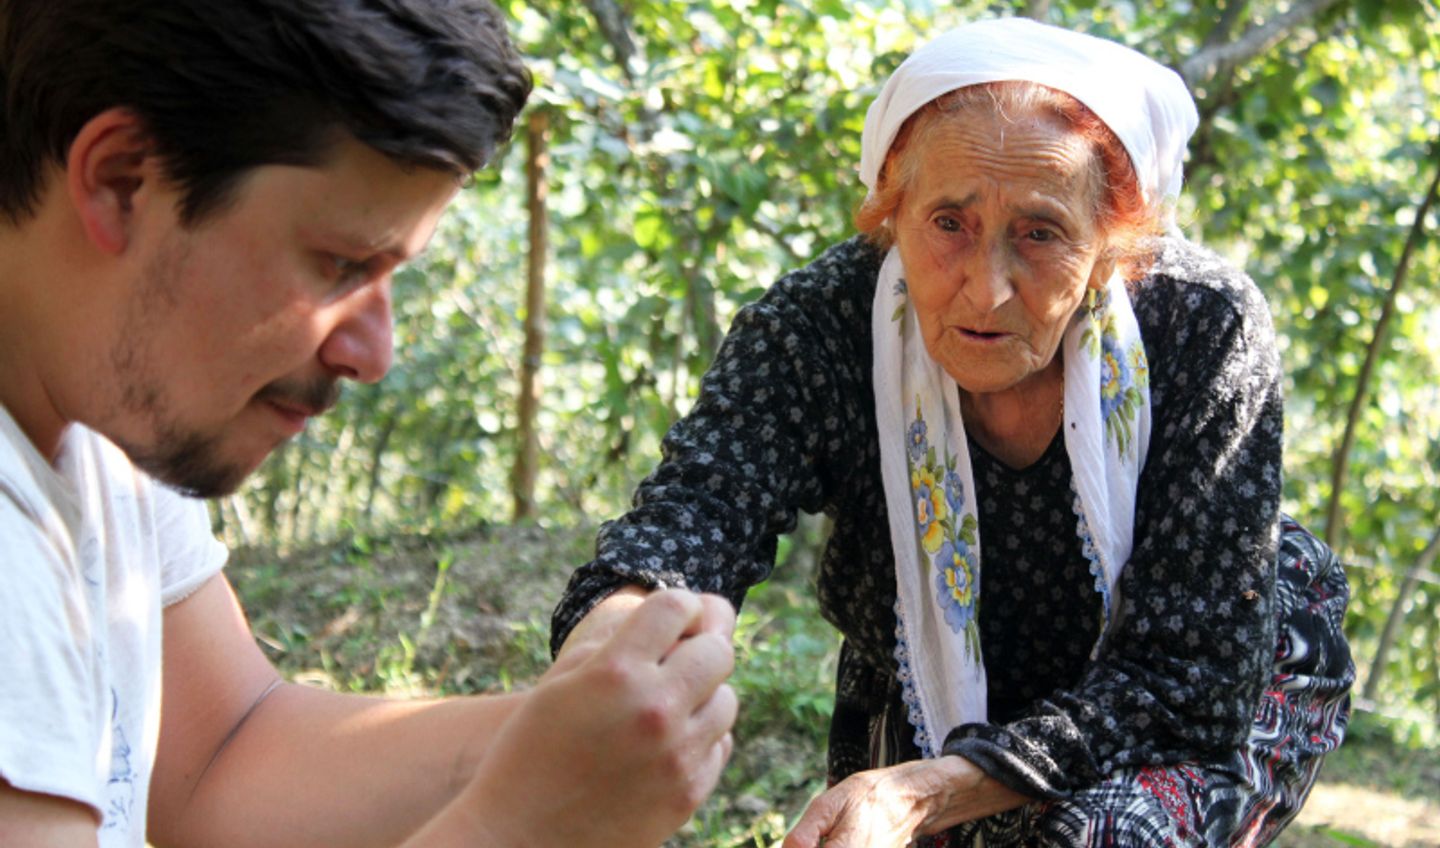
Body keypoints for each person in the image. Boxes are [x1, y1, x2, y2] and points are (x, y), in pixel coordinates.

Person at [552, 17, 1354, 847]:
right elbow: (694, 518)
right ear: (890, 210)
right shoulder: (820, 326)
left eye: (1041, 233)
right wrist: (602, 665)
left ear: (1113, 249)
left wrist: (927, 793)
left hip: (1194, 682)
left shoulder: (1201, 327)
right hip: (936, 665)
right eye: (948, 224)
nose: (987, 290)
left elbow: (1192, 681)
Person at [0, 2, 738, 846]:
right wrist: (519, 827)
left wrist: (588, 721)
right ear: (122, 178)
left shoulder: (101, 417)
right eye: (343, 263)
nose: (372, 353)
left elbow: (222, 753)